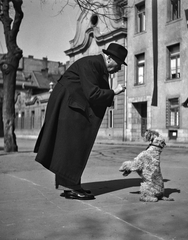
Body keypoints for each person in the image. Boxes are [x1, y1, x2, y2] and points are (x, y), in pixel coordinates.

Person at [34, 43, 128, 200]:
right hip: (68, 106)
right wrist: (114, 91)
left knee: (69, 146)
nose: (119, 68)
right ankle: (72, 187)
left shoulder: (96, 65)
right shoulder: (93, 64)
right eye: (119, 64)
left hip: (71, 105)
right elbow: (93, 94)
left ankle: (69, 185)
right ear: (110, 58)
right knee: (74, 145)